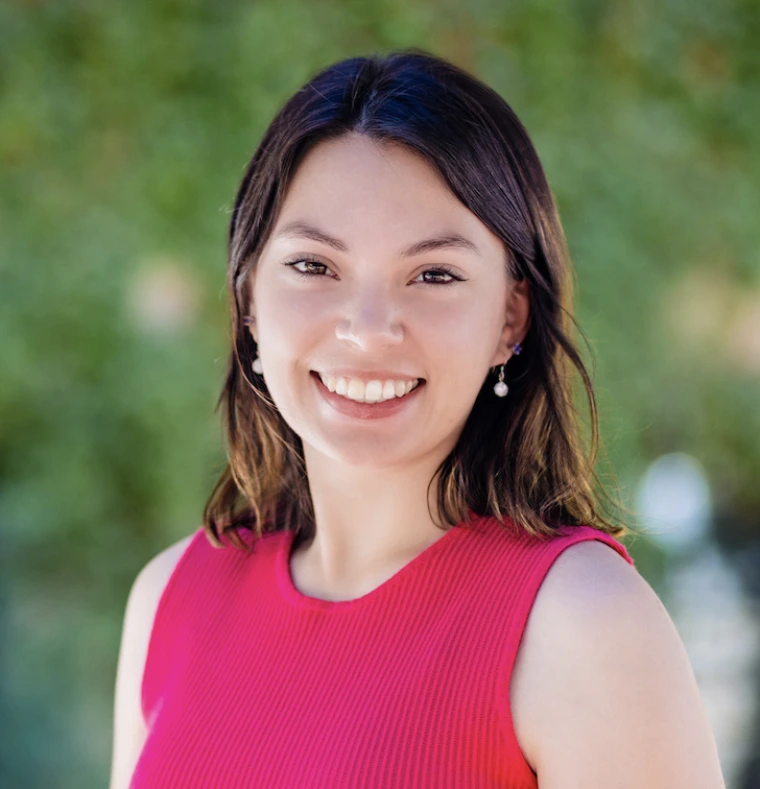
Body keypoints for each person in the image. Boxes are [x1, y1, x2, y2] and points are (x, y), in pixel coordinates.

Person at [109, 50, 726, 788]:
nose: (369, 328)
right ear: (247, 298)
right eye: (314, 266)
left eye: (434, 275)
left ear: (510, 316)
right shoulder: (169, 598)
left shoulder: (583, 624)